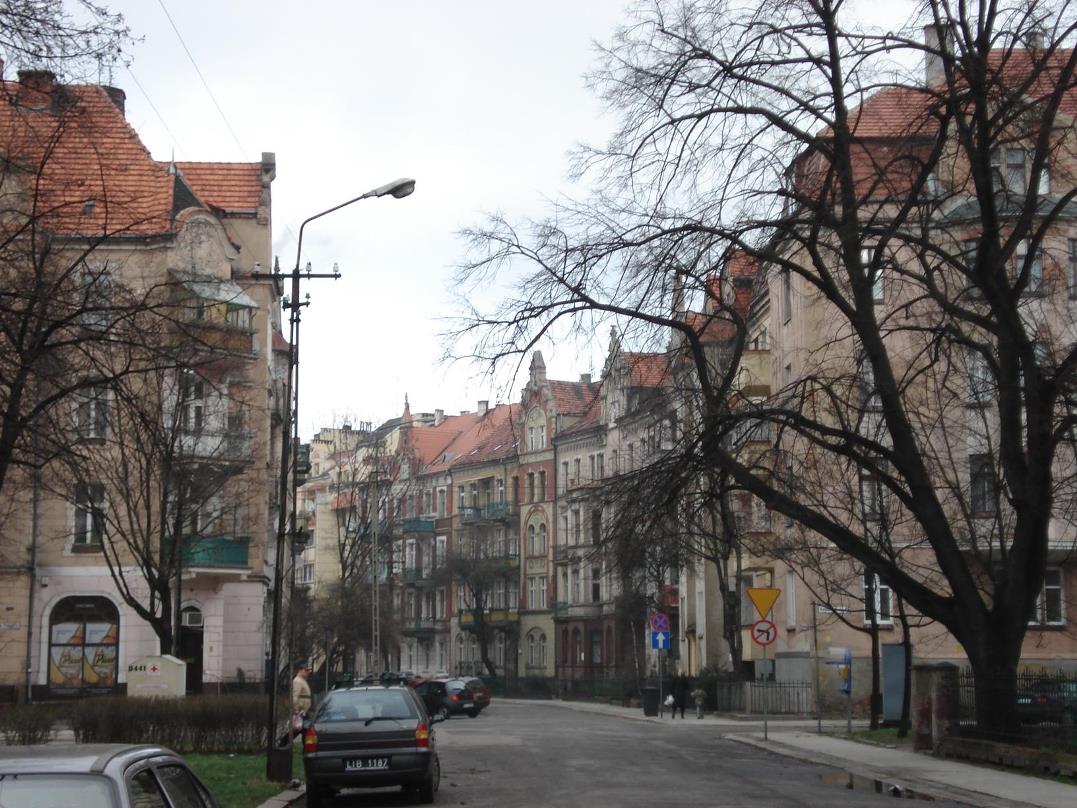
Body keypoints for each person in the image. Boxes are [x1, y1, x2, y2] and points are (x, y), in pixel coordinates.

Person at [291, 660, 313, 737]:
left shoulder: (302, 680)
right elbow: (295, 696)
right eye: (306, 670)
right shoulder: (297, 681)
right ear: (300, 670)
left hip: (304, 711)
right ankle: (283, 743)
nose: (308, 672)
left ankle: (284, 743)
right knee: (303, 730)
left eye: (308, 670)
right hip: (300, 711)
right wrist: (296, 709)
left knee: (303, 730)